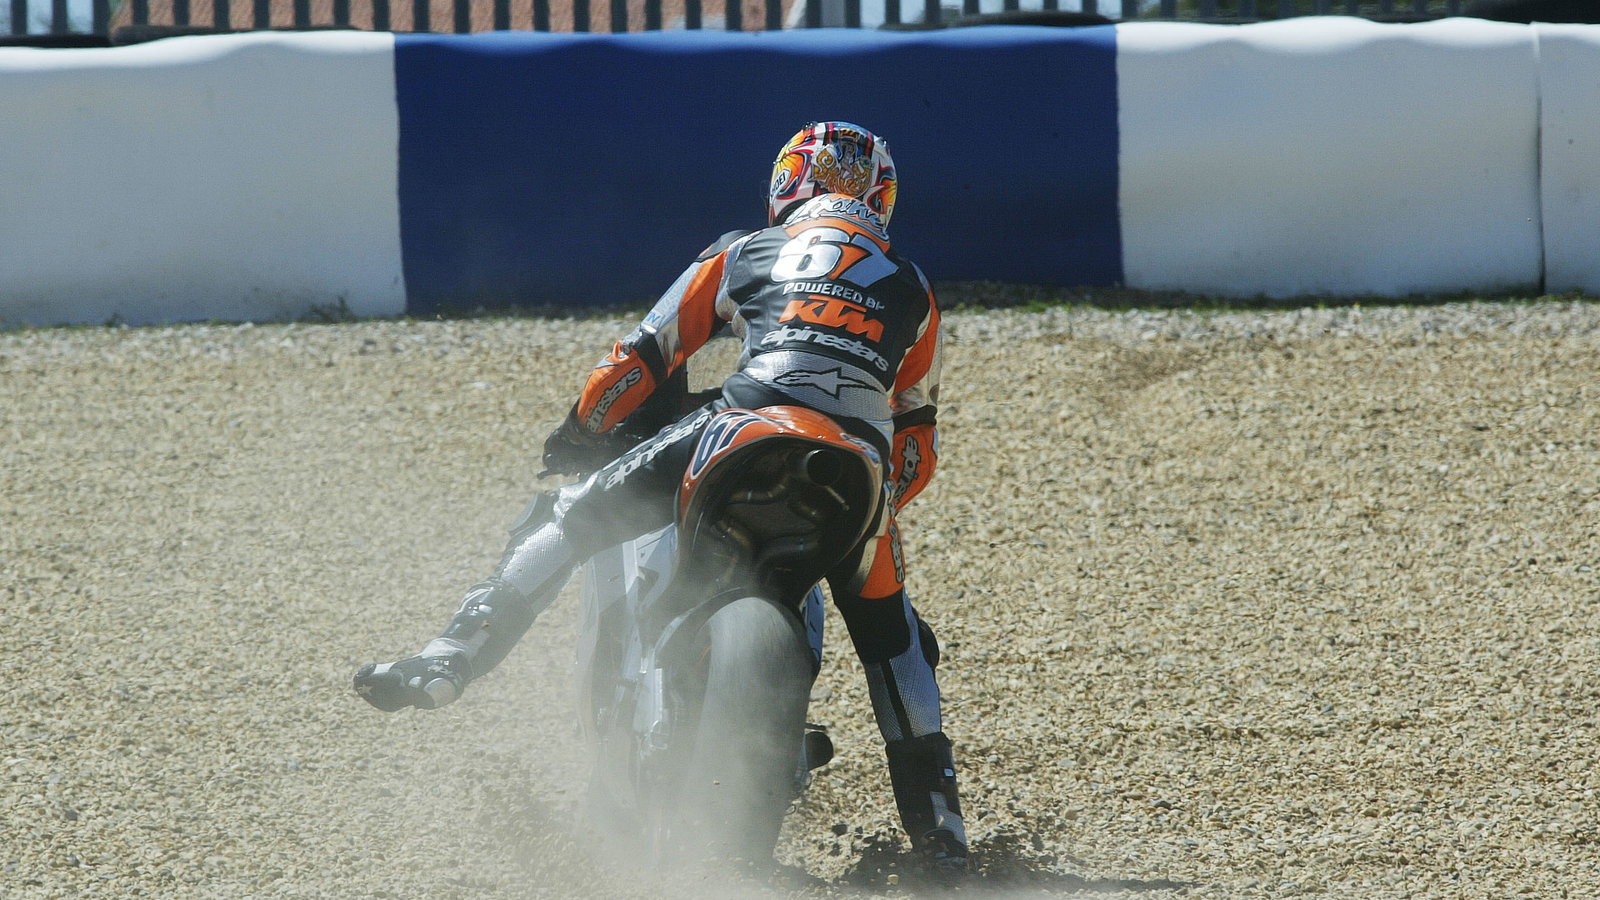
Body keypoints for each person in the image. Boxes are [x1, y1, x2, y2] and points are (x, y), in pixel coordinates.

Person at [353, 121, 967, 874]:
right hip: (856, 469)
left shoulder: (745, 250)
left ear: (789, 183)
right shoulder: (915, 287)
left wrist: (581, 430)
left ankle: (449, 658)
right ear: (882, 200)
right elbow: (917, 447)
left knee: (569, 517)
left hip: (743, 426)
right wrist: (877, 512)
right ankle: (943, 838)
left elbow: (640, 358)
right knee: (894, 641)